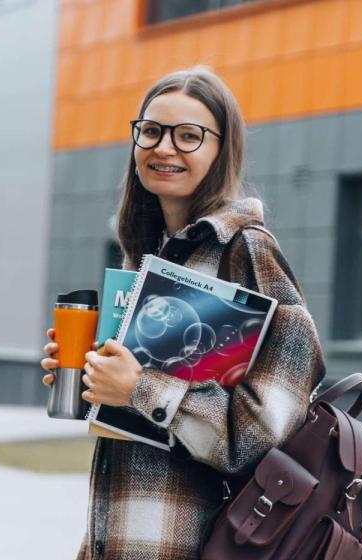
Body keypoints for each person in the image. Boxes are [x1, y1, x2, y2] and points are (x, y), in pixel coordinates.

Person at [41, 66, 326, 560]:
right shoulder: (150, 254)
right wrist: (96, 374)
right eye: (151, 131)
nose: (164, 148)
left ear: (221, 150)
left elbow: (268, 431)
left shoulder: (247, 250)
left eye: (188, 136)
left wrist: (139, 389)